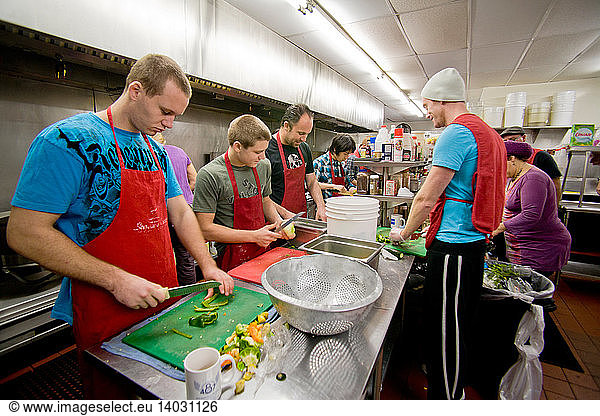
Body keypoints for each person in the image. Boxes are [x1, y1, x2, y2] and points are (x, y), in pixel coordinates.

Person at [6, 54, 233, 398]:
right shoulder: (68, 141)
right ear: (136, 90)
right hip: (105, 307)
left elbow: (181, 213)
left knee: (162, 392)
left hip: (162, 300)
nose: (170, 124)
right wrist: (116, 279)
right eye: (165, 111)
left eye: (176, 115)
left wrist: (207, 264)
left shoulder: (153, 150)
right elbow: (24, 232)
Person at [390, 68, 506, 400]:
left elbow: (427, 196)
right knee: (459, 325)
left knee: (446, 332)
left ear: (442, 99)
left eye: (428, 105)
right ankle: (451, 388)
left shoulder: (455, 134)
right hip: (473, 245)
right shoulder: (488, 133)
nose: (427, 112)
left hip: (454, 249)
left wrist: (406, 233)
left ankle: (446, 398)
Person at [194, 114, 292, 271]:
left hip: (261, 250)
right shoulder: (210, 175)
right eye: (257, 152)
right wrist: (254, 236)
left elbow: (265, 200)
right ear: (238, 146)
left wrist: (278, 221)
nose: (263, 157)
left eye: (265, 150)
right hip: (229, 256)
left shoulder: (263, 166)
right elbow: (205, 229)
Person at [491, 141, 571, 280]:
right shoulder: (515, 177)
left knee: (531, 291)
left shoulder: (533, 178)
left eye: (500, 161)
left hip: (540, 247)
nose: (498, 167)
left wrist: (499, 228)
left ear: (512, 159)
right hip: (523, 246)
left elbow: (531, 215)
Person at [266, 104, 327, 220]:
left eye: (307, 134)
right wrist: (284, 215)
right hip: (275, 220)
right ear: (286, 125)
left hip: (300, 217)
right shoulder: (266, 150)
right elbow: (262, 197)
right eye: (301, 133)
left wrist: (321, 205)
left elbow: (312, 182)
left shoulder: (304, 148)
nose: (304, 139)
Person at [154, 132, 199, 286]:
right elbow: (194, 178)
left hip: (161, 213)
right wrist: (183, 191)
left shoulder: (149, 153)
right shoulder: (179, 152)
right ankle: (188, 294)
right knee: (186, 258)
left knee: (163, 258)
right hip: (186, 208)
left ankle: (168, 298)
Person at [500, 126, 563, 204]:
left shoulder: (541, 156)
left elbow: (556, 184)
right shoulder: (506, 159)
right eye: (506, 141)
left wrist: (554, 206)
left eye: (513, 139)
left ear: (524, 138)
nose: (510, 143)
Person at [313, 133, 357, 199]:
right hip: (326, 205)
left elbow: (347, 183)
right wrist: (333, 186)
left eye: (348, 154)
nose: (346, 157)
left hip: (340, 204)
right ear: (335, 149)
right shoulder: (319, 163)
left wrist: (351, 188)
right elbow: (311, 185)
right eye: (345, 154)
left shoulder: (342, 164)